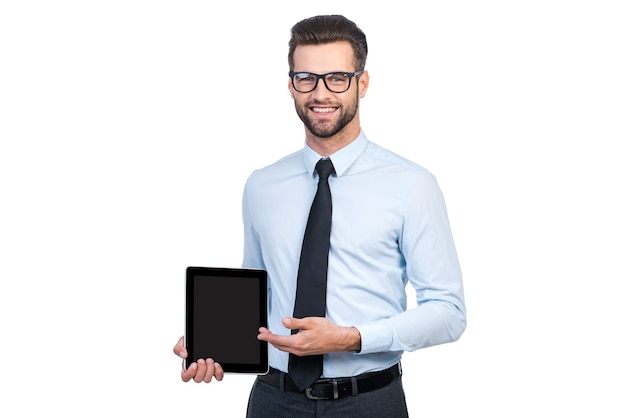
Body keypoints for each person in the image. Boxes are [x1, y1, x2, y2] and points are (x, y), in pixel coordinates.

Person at [173, 14, 466, 417]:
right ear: (291, 85)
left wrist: (350, 338)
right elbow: (260, 292)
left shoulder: (411, 185)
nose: (320, 92)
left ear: (362, 83)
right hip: (273, 400)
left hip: (369, 402)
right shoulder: (262, 185)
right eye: (306, 77)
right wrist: (216, 341)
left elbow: (448, 313)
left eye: (337, 78)